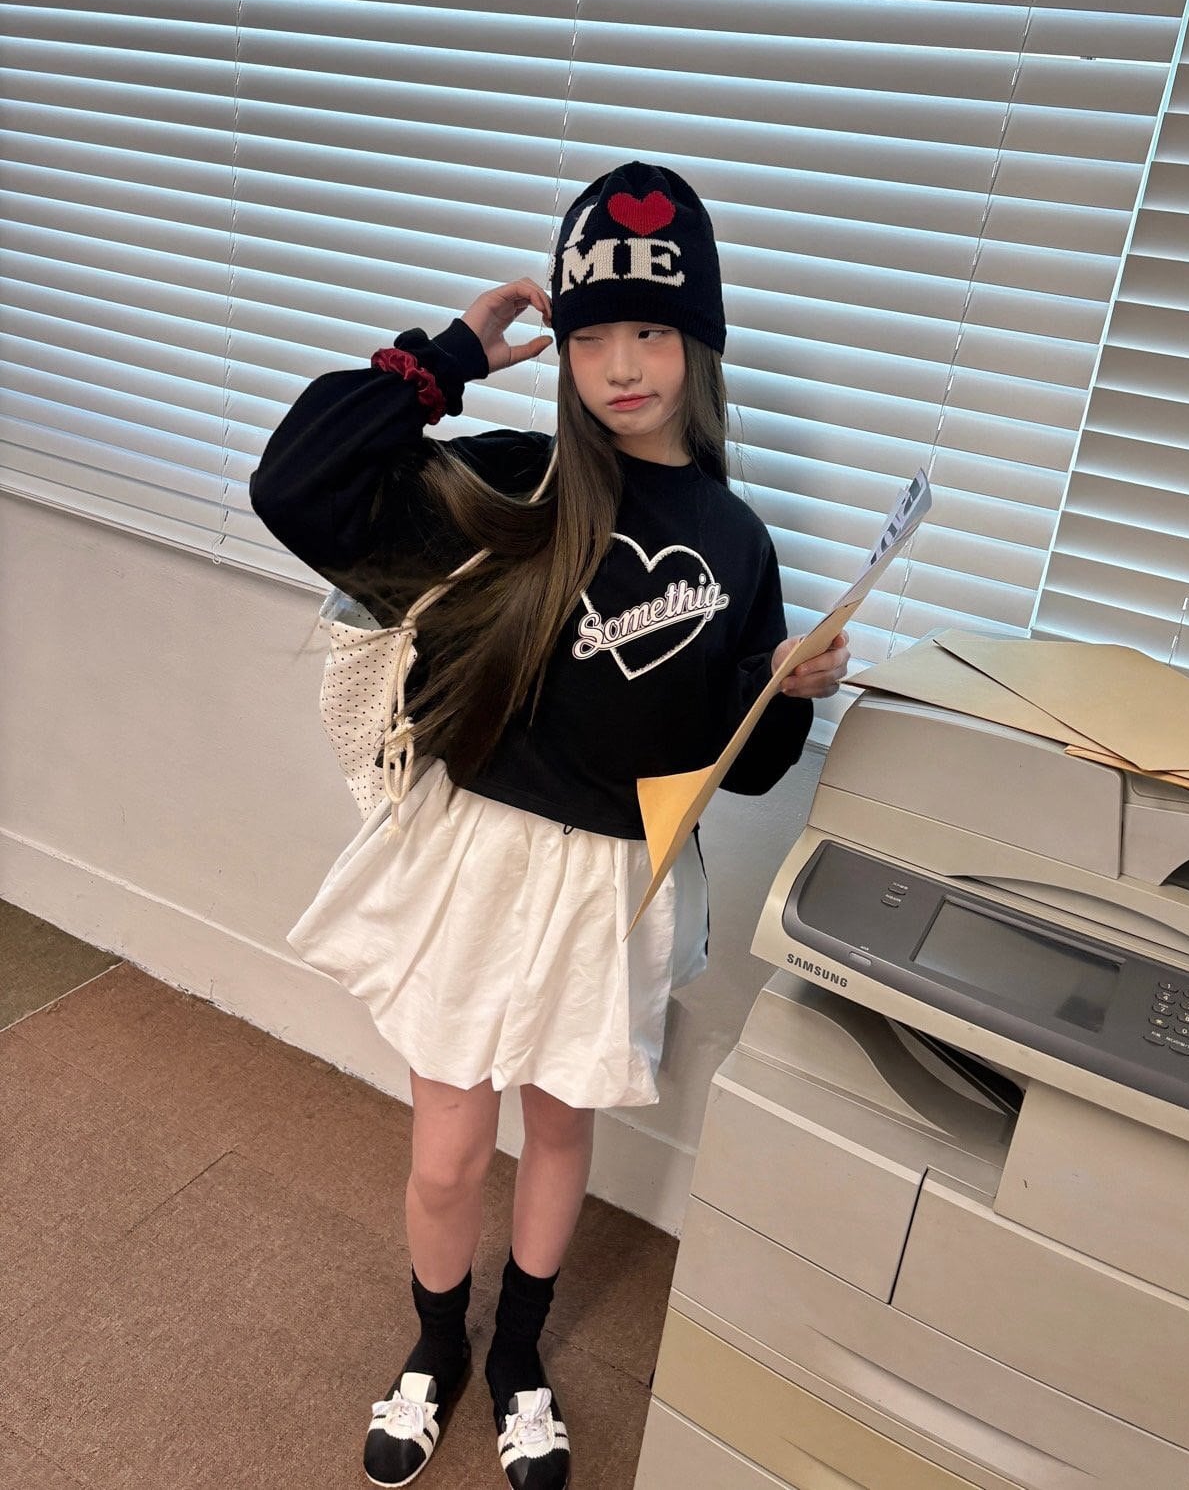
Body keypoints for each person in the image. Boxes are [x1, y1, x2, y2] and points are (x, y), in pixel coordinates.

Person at [248, 159, 849, 1489]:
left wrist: (782, 691)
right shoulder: (515, 486)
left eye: (652, 331)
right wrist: (443, 361)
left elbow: (739, 769)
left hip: (610, 886)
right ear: (563, 351)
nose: (622, 364)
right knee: (449, 1151)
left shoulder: (737, 543)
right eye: (591, 336)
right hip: (476, 862)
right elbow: (296, 486)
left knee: (562, 1132)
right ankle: (435, 1347)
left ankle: (519, 1356)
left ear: (699, 343)